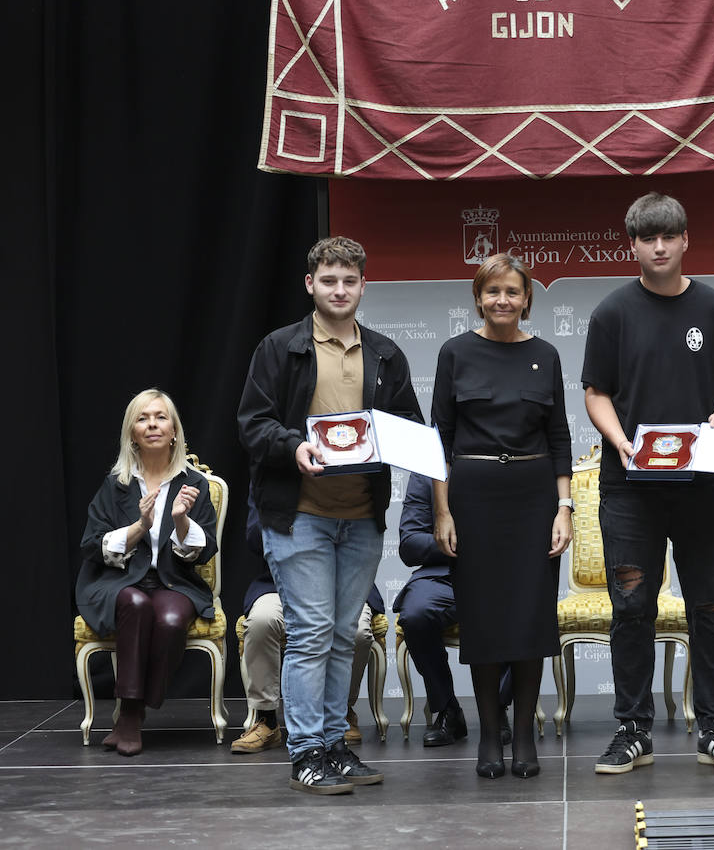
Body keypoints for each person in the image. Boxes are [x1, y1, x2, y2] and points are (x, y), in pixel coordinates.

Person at [237, 236, 422, 795]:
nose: (339, 290)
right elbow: (252, 423)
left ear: (363, 286)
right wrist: (293, 445)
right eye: (329, 280)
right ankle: (305, 752)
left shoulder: (386, 353)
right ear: (310, 285)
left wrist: (401, 442)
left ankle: (336, 748)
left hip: (361, 517)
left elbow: (407, 423)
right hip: (299, 515)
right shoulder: (280, 348)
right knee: (312, 633)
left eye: (349, 281)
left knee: (345, 634)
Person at [582, 192, 714, 775]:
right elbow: (595, 392)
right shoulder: (611, 313)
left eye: (669, 236)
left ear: (685, 241)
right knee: (631, 608)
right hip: (630, 488)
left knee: (709, 609)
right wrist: (620, 440)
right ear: (632, 245)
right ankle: (633, 730)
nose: (659, 247)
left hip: (706, 487)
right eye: (647, 238)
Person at [431, 252, 572, 779]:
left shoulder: (547, 354)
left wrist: (564, 507)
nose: (503, 301)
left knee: (530, 615)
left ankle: (526, 736)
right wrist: (442, 511)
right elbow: (437, 440)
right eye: (493, 292)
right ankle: (490, 734)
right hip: (473, 497)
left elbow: (559, 437)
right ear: (478, 297)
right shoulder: (455, 352)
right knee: (486, 619)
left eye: (512, 291)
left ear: (527, 298)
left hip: (534, 497)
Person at [76, 389, 218, 757]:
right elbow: (91, 545)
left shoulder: (195, 484)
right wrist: (140, 525)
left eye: (160, 417)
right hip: (117, 583)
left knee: (171, 620)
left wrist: (181, 519)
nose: (152, 424)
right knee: (136, 603)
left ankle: (132, 710)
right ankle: (130, 717)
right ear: (132, 433)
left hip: (175, 581)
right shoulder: (116, 485)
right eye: (142, 418)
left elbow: (205, 551)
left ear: (174, 430)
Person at [230, 501, 388, 753]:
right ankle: (266, 719)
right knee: (262, 621)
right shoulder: (274, 476)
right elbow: (253, 536)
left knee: (357, 631)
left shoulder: (350, 481)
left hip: (341, 585)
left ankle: (341, 713)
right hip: (280, 582)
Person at [397, 472, 520, 748]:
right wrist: (457, 541)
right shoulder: (426, 471)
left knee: (518, 604)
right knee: (415, 614)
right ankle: (447, 709)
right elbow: (409, 544)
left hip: (494, 573)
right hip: (440, 575)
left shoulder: (499, 462)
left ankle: (498, 707)